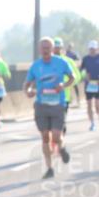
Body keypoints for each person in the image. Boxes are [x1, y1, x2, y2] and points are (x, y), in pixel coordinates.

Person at [25, 37, 75, 179]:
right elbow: (26, 85)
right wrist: (29, 92)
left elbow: (72, 78)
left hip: (58, 105)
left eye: (48, 47)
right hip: (41, 105)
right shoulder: (35, 66)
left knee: (57, 135)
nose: (46, 50)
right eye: (43, 47)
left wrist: (63, 86)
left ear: (52, 49)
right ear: (39, 49)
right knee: (45, 136)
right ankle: (49, 168)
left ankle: (62, 147)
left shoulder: (61, 63)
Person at [81, 40, 99, 131]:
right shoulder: (85, 59)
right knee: (89, 104)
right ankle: (92, 123)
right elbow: (82, 70)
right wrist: (85, 76)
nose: (92, 50)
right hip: (89, 85)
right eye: (91, 49)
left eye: (94, 49)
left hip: (98, 84)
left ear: (97, 49)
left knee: (97, 105)